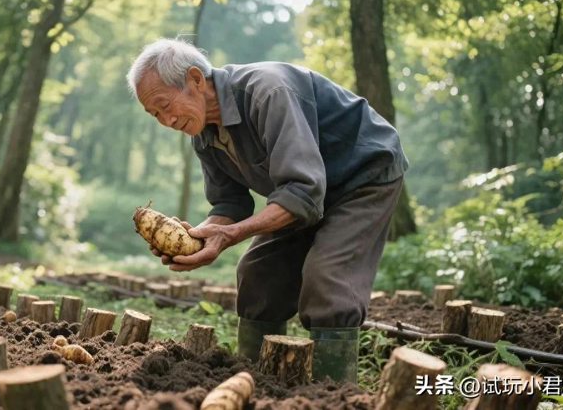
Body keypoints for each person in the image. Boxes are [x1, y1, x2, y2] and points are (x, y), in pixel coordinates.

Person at [126, 38, 408, 382]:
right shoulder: (203, 134)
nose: (166, 120)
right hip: (305, 192)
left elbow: (303, 190)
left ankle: (335, 393)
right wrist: (197, 238)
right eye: (154, 114)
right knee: (257, 273)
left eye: (164, 105)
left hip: (363, 176)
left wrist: (230, 234)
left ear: (196, 80)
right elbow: (230, 204)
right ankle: (257, 382)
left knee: (327, 277)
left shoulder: (268, 91)